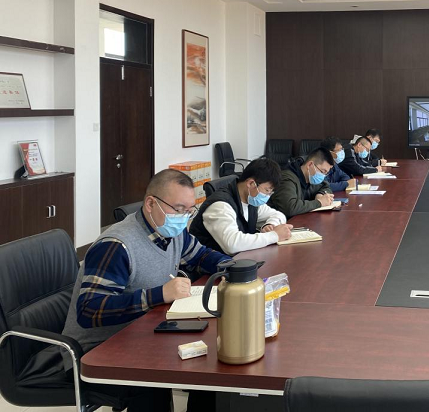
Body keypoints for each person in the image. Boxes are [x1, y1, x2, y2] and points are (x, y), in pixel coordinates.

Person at [61, 169, 232, 411]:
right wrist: (159, 294)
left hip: (144, 331)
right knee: (167, 371)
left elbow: (201, 255)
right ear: (151, 203)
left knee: (210, 358)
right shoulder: (116, 245)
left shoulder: (172, 232)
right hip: (98, 350)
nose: (183, 218)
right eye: (178, 209)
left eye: (189, 210)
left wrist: (233, 268)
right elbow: (90, 310)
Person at [190, 157, 293, 254]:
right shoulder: (220, 206)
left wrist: (270, 225)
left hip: (240, 259)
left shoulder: (251, 199)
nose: (267, 196)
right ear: (251, 183)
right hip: (208, 263)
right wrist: (274, 235)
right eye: (266, 190)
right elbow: (232, 245)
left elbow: (278, 215)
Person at [269, 147, 336, 218]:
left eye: (326, 173)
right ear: (310, 165)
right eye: (323, 171)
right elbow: (290, 208)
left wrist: (320, 194)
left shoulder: (311, 178)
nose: (323, 176)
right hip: (280, 222)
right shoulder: (286, 178)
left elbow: (326, 186)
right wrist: (319, 202)